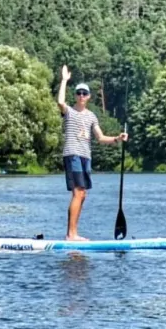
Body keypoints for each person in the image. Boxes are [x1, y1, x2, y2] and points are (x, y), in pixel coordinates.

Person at [57, 65, 128, 240]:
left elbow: (101, 137)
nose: (81, 96)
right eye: (78, 93)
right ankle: (70, 234)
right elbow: (60, 102)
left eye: (84, 93)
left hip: (85, 156)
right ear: (75, 95)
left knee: (83, 194)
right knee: (78, 192)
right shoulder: (69, 112)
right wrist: (65, 80)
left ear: (89, 96)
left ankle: (74, 233)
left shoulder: (91, 116)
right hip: (72, 153)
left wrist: (118, 138)